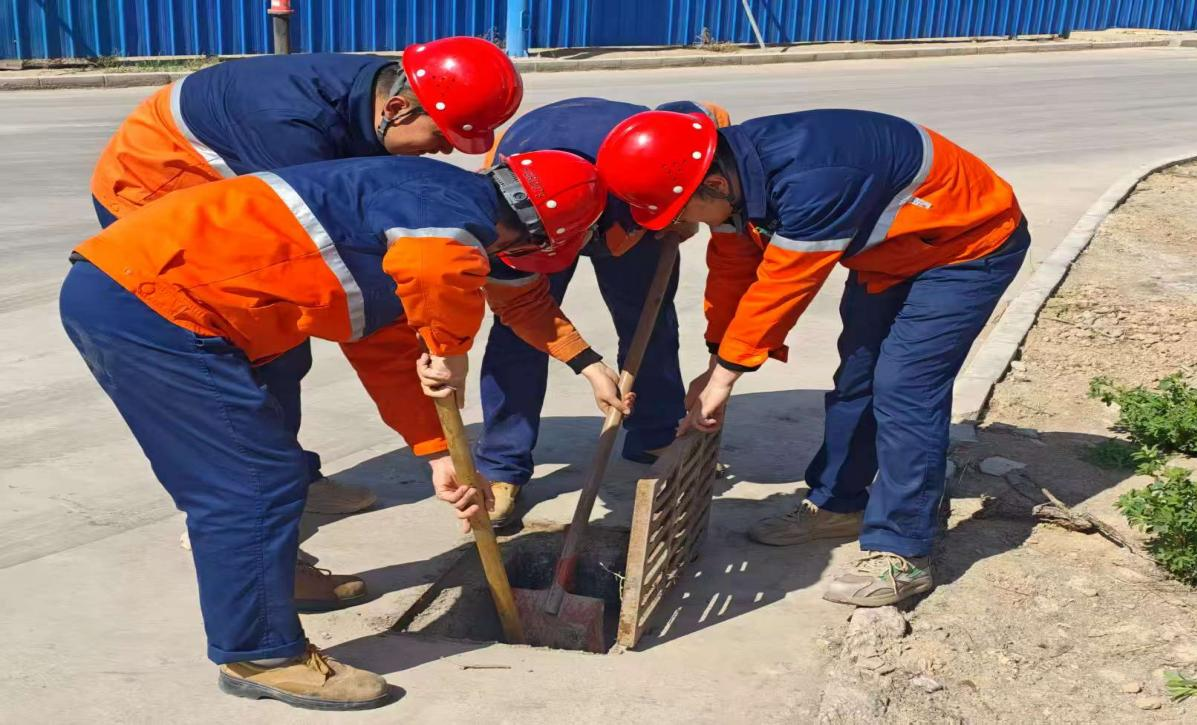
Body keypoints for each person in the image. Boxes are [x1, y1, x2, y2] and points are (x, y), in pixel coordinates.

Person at [61, 150, 619, 709]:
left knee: (265, 470)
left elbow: (385, 349)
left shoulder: (411, 212)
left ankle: (275, 581)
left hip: (147, 294)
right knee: (252, 482)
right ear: (528, 235)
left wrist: (437, 453)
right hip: (151, 306)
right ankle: (260, 655)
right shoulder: (442, 219)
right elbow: (435, 270)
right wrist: (451, 349)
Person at [597, 109, 1029, 607]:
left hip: (965, 247)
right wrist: (716, 359)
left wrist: (726, 378)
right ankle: (838, 504)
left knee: (905, 389)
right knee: (858, 380)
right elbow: (735, 268)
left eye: (684, 212)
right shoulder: (736, 177)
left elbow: (784, 287)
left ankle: (903, 550)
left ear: (714, 185)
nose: (684, 224)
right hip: (892, 254)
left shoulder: (814, 182)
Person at [89, 37, 523, 520]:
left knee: (286, 350)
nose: (443, 152)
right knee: (249, 357)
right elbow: (357, 297)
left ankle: (286, 481)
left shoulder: (379, 92)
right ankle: (245, 507)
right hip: (152, 195)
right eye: (442, 136)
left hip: (225, 188)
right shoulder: (290, 129)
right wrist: (435, 407)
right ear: (397, 109)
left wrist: (432, 442)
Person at [472, 97, 730, 526]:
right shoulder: (500, 218)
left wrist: (681, 204)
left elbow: (705, 119)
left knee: (648, 321)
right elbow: (519, 306)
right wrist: (589, 365)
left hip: (621, 201)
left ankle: (655, 431)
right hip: (537, 211)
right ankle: (501, 464)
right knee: (518, 334)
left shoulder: (644, 161)